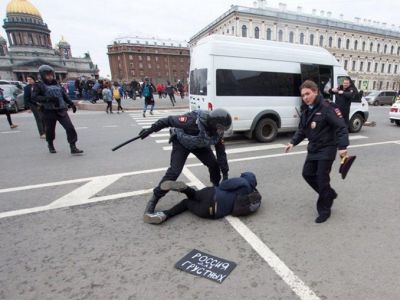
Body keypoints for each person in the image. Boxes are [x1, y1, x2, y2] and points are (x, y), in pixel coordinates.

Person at [139, 108, 232, 222]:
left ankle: (216, 188)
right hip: (181, 142)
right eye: (220, 128)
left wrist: (225, 175)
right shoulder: (192, 121)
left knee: (214, 165)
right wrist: (150, 130)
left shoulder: (217, 134)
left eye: (223, 129)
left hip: (199, 146)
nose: (222, 131)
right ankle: (154, 199)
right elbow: (168, 120)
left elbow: (221, 154)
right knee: (174, 172)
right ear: (213, 124)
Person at [285, 80, 350, 223]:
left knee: (321, 179)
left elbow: (341, 127)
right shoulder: (306, 110)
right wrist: (292, 142)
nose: (305, 97)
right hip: (314, 148)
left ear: (315, 92)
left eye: (307, 94)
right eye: (303, 95)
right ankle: (329, 193)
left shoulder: (328, 108)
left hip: (327, 148)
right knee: (307, 174)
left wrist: (343, 147)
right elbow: (302, 129)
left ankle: (324, 209)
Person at [144, 172, 261, 224]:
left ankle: (184, 188)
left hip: (212, 194)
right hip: (212, 212)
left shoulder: (242, 182)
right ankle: (164, 215)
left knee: (194, 194)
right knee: (186, 203)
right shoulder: (250, 194)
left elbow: (223, 185)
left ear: (245, 177)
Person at [32, 65, 83, 154]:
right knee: (50, 130)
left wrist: (71, 104)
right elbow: (34, 97)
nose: (50, 77)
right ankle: (50, 144)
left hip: (61, 109)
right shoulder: (39, 85)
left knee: (70, 127)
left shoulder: (57, 84)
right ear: (42, 75)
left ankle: (73, 146)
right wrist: (48, 98)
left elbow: (64, 95)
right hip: (48, 111)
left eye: (51, 75)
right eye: (47, 75)